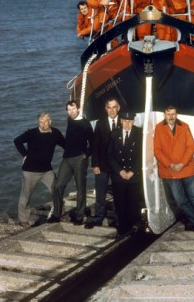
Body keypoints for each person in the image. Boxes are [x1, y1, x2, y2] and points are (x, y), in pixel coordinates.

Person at [153, 105, 194, 235]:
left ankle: (191, 223)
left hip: (186, 168)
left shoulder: (185, 126)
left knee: (193, 197)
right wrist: (170, 164)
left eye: (173, 114)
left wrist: (182, 163)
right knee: (179, 200)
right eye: (168, 114)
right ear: (164, 115)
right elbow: (157, 150)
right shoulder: (159, 128)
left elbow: (191, 146)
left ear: (177, 114)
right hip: (170, 171)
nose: (171, 117)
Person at [14, 112, 65, 227]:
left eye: (45, 121)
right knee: (25, 195)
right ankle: (23, 220)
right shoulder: (32, 133)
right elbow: (17, 141)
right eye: (40, 122)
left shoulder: (55, 133)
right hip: (30, 170)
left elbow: (65, 145)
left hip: (47, 170)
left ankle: (59, 214)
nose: (43, 124)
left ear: (50, 121)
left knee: (56, 191)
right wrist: (25, 154)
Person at [49, 100, 94, 224]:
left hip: (80, 159)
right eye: (69, 109)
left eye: (73, 109)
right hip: (66, 158)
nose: (71, 112)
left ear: (78, 109)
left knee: (80, 188)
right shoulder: (70, 120)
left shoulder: (85, 124)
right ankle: (56, 214)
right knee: (58, 186)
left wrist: (86, 155)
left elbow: (93, 141)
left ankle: (79, 216)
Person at [85, 97, 121, 228]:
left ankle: (118, 219)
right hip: (103, 165)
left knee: (118, 193)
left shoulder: (123, 122)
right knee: (100, 193)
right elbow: (95, 145)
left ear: (118, 108)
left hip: (118, 166)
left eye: (114, 107)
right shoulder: (100, 123)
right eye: (109, 107)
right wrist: (95, 164)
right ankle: (99, 217)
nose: (112, 110)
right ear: (106, 109)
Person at [107, 111, 143, 237]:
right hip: (119, 176)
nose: (127, 124)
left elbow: (142, 155)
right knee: (120, 203)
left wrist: (133, 171)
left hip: (134, 175)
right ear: (121, 121)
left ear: (133, 121)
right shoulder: (114, 134)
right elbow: (110, 155)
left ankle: (135, 227)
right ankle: (122, 228)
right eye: (125, 121)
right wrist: (120, 171)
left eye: (130, 121)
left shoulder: (140, 133)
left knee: (133, 202)